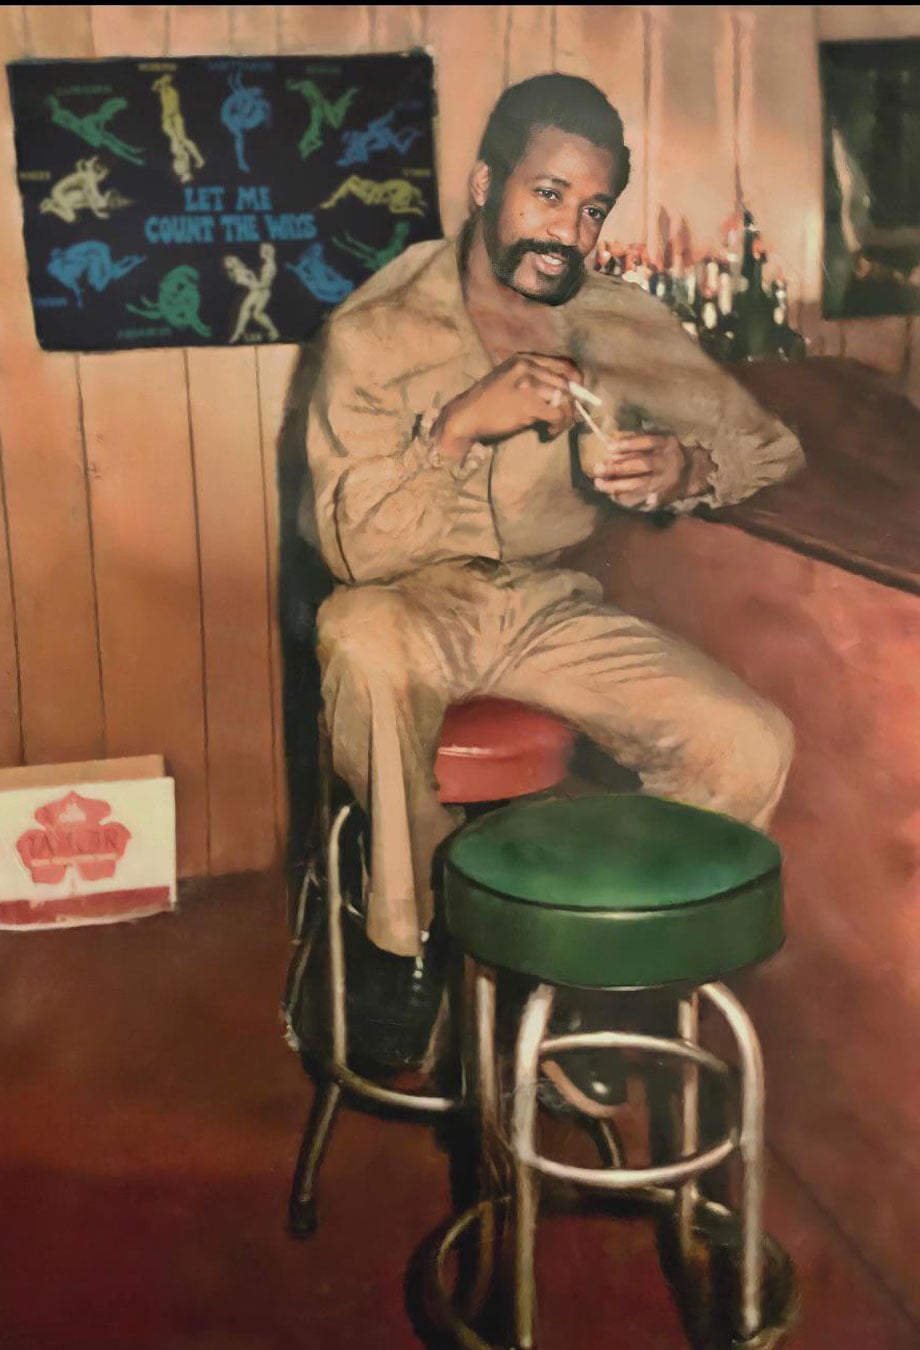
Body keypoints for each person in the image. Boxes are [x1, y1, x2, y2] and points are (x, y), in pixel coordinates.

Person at [305, 73, 804, 961]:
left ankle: (606, 956)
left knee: (749, 739)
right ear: (485, 186)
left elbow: (771, 448)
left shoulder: (617, 320)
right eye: (548, 195)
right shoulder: (375, 331)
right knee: (362, 644)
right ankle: (404, 948)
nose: (570, 235)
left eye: (593, 209)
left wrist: (686, 468)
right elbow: (358, 551)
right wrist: (458, 428)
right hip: (407, 601)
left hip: (549, 608)